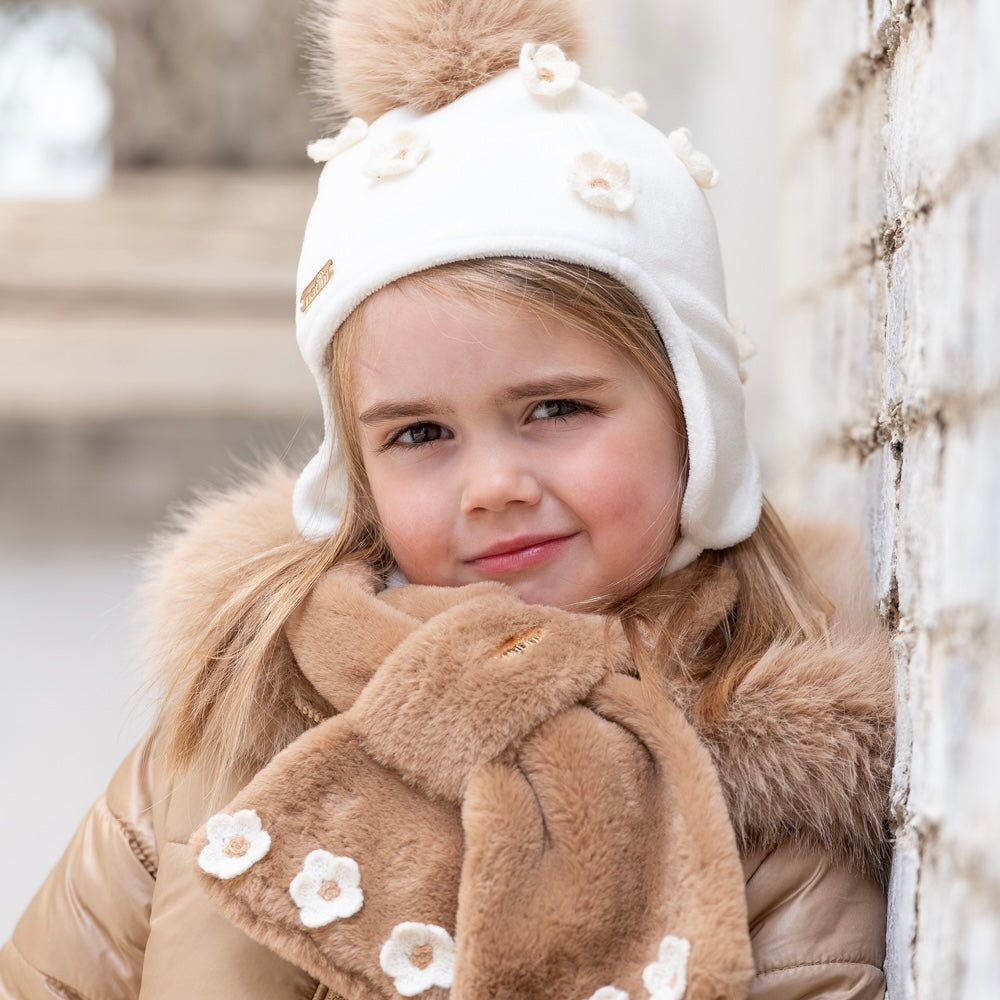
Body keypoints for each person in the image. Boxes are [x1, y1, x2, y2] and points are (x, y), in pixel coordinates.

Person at [0, 0, 894, 998]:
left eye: (553, 408)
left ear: (695, 414)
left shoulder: (772, 811)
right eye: (419, 434)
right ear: (357, 471)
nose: (494, 488)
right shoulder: (242, 726)